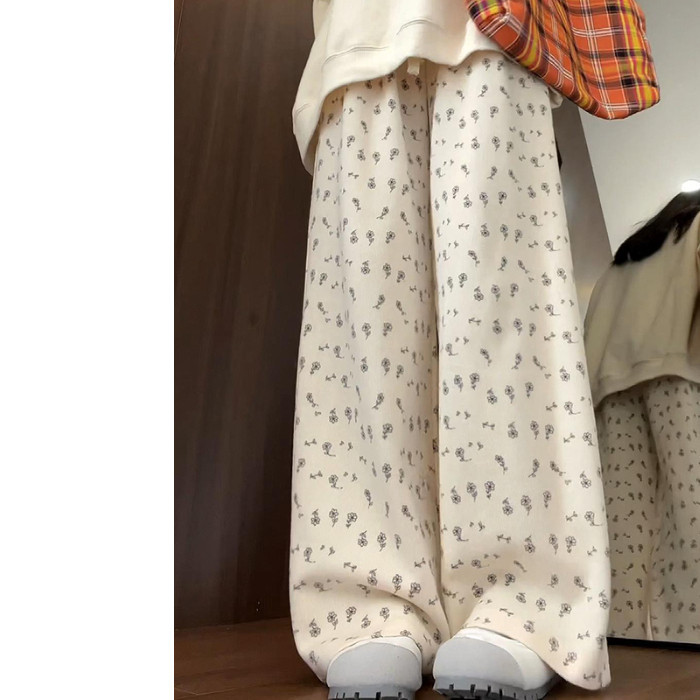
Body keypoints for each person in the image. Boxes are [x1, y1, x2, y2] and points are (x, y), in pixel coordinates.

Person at [288, 3, 625, 698]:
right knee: (365, 323)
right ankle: (369, 600)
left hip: (500, 26)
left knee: (501, 305)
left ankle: (524, 600)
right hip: (358, 29)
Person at [585, 190, 700, 643]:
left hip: (609, 392)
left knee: (622, 530)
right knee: (689, 516)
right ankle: (686, 640)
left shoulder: (619, 265)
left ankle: (623, 643)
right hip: (680, 373)